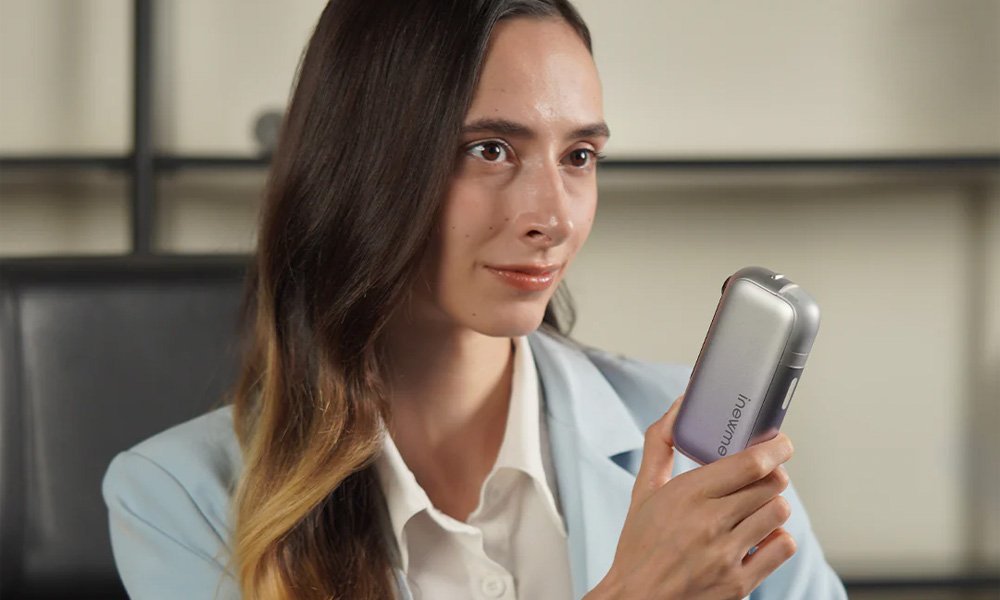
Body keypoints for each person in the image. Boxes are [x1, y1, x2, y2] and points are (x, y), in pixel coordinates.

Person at [102, 1, 848, 598]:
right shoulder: (180, 498)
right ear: (362, 164)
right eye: (489, 149)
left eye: (579, 156)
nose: (553, 217)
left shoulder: (697, 442)